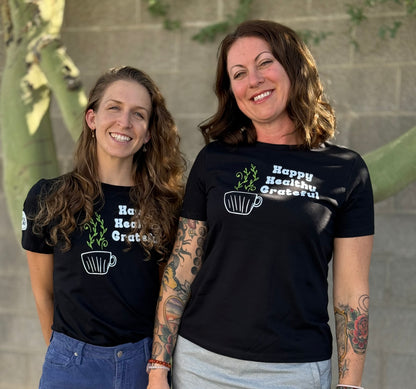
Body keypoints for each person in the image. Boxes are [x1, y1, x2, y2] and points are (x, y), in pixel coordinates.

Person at [147, 20, 374, 389]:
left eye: (264, 63)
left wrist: (350, 384)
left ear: (293, 66)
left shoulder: (346, 170)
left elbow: (351, 293)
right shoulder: (214, 159)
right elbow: (182, 266)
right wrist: (158, 365)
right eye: (239, 73)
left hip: (294, 372)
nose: (253, 80)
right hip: (200, 364)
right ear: (231, 89)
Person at [22, 66, 185, 389]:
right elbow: (43, 292)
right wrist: (64, 356)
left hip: (144, 364)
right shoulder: (47, 197)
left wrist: (158, 366)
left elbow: (170, 295)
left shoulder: (167, 206)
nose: (124, 122)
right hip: (71, 363)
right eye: (114, 108)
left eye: (138, 114)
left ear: (149, 132)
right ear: (92, 118)